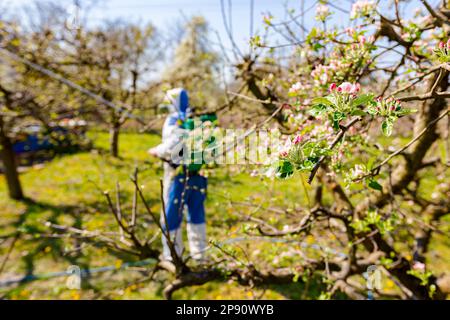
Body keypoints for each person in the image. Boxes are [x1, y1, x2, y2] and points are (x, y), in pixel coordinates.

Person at [148, 88, 207, 262]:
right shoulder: (196, 117)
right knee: (197, 214)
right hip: (199, 174)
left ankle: (173, 257)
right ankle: (201, 256)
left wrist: (157, 150)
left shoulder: (176, 119)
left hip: (178, 175)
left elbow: (174, 144)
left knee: (170, 216)